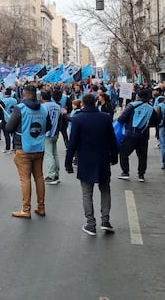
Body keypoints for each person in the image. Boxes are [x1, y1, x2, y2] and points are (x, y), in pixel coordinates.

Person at [65, 93, 118, 235]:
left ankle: (91, 223)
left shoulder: (78, 119)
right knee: (105, 189)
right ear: (95, 103)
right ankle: (105, 220)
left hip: (85, 160)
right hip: (103, 159)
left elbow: (72, 143)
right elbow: (112, 139)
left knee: (86, 193)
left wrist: (68, 162)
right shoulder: (105, 118)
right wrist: (114, 157)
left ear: (82, 104)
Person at [5, 85, 52, 218]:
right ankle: (41, 207)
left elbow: (8, 128)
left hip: (23, 149)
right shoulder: (43, 109)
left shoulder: (20, 109)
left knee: (25, 180)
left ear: (24, 94)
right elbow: (48, 126)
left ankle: (26, 210)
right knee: (39, 177)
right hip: (39, 148)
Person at [116, 89, 158, 182]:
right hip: (143, 135)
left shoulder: (131, 106)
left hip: (130, 134)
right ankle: (141, 175)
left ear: (137, 96)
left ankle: (125, 172)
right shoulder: (151, 108)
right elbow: (156, 121)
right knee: (142, 156)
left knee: (124, 153)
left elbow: (122, 119)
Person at [40, 89, 62, 185]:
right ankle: (56, 173)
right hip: (55, 131)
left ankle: (51, 175)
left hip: (47, 132)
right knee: (55, 153)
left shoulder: (43, 107)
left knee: (49, 155)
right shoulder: (57, 106)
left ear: (42, 98)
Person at [0, 88, 18, 154]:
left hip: (5, 119)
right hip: (14, 118)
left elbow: (0, 110)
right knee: (13, 134)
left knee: (6, 134)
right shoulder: (15, 100)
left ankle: (7, 148)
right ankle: (14, 147)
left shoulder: (3, 101)